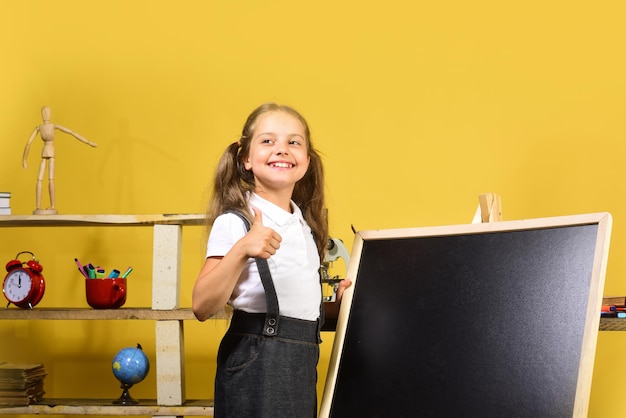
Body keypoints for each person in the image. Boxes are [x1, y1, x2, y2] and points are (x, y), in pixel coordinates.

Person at [192, 103, 351, 418]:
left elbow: (298, 309)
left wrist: (339, 305)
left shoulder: (303, 225)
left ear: (307, 160)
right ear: (246, 158)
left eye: (294, 142)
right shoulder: (237, 222)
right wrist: (242, 249)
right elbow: (201, 305)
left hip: (300, 362)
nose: (282, 149)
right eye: (268, 141)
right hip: (258, 360)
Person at [22, 106, 97, 214]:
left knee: (45, 179)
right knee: (43, 179)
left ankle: (49, 205)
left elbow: (71, 132)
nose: (46, 114)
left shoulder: (43, 127)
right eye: (45, 113)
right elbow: (29, 143)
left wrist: (88, 142)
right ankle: (40, 206)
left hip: (48, 151)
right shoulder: (43, 127)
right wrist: (24, 159)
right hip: (48, 151)